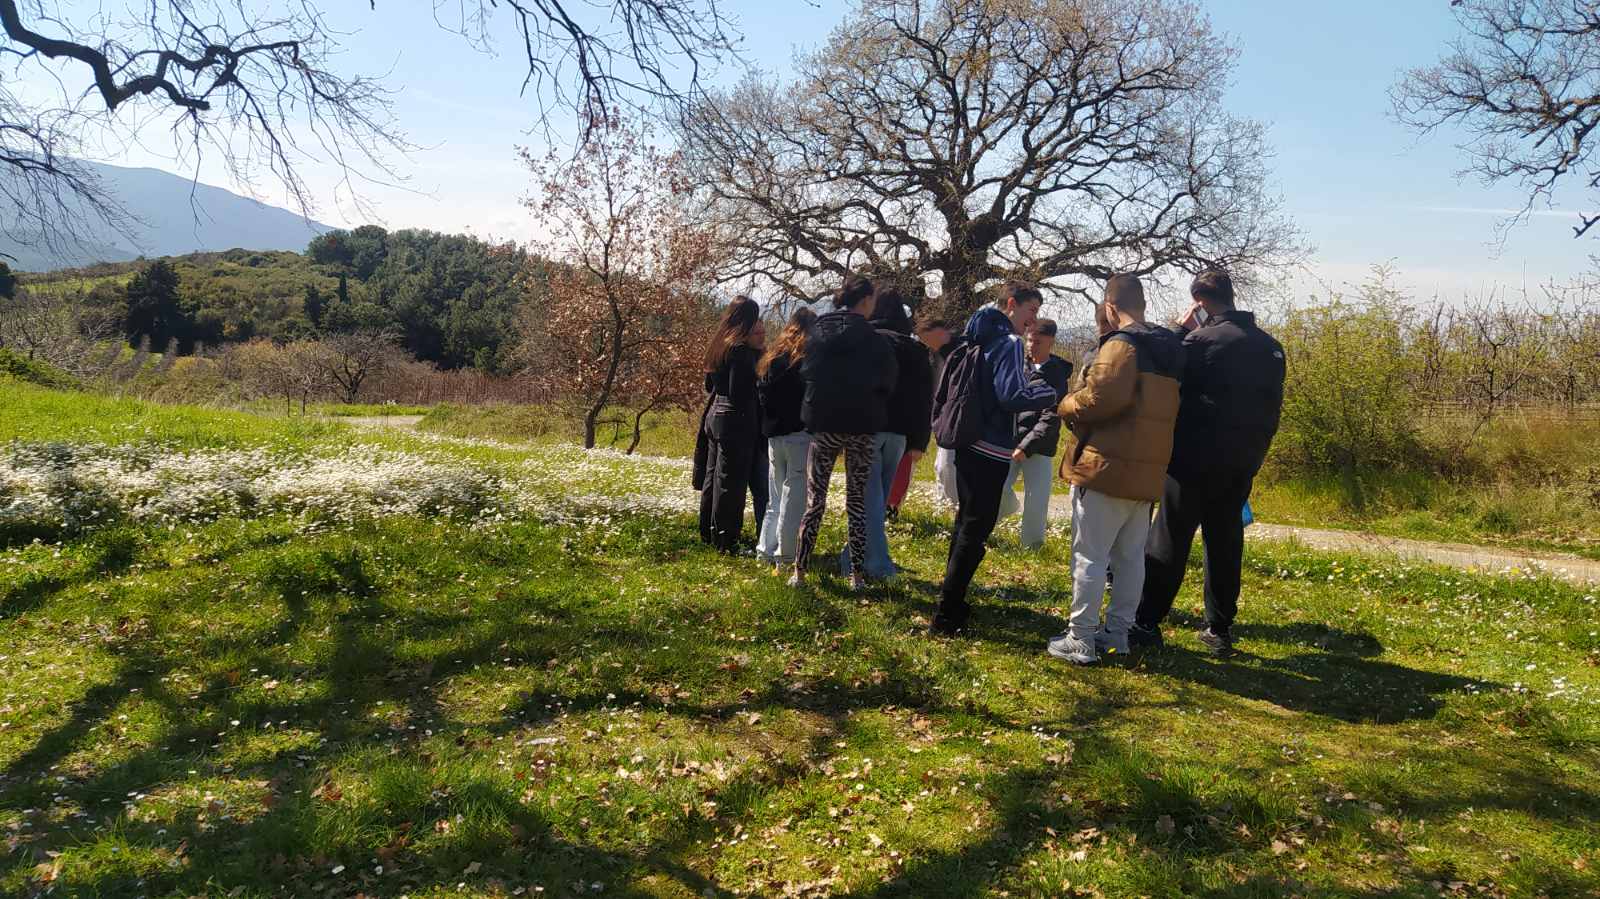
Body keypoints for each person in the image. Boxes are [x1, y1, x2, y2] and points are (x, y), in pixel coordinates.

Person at [1132, 269, 1286, 656]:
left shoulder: (1200, 341)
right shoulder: (1272, 348)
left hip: (1192, 459)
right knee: (1225, 541)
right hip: (1243, 460)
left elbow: (1162, 367)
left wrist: (1179, 330)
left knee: (1170, 538)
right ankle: (1219, 628)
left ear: (1200, 302)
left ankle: (1147, 621)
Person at [1043, 276, 1184, 664]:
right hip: (1147, 472)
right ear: (1143, 303)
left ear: (1109, 306)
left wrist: (1066, 404)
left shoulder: (1122, 344)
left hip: (1105, 466)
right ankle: (1118, 635)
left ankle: (1080, 638)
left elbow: (1101, 398)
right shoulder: (1170, 348)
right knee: (1130, 559)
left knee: (1090, 556)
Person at [931, 282, 1058, 635]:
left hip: (967, 442)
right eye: (1031, 311)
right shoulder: (1009, 343)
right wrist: (1048, 392)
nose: (1032, 321)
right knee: (976, 529)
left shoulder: (974, 338)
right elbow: (1011, 395)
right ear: (1012, 304)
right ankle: (946, 614)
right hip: (992, 447)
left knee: (965, 524)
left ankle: (952, 600)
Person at [792, 276, 898, 590]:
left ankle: (799, 571)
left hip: (824, 425)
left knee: (815, 500)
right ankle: (857, 575)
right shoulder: (875, 339)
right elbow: (888, 381)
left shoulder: (817, 332)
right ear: (865, 300)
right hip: (862, 426)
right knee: (857, 502)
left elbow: (805, 373)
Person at [839, 289, 933, 580]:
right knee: (876, 502)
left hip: (865, 429)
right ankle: (852, 559)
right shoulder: (916, 349)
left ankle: (877, 566)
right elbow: (924, 399)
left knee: (866, 501)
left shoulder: (864, 342)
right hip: (899, 434)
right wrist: (919, 440)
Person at [696, 297, 765, 553]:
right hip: (736, 421)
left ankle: (708, 531)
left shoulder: (718, 344)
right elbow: (740, 392)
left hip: (715, 416)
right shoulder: (740, 350)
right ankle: (727, 540)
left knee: (713, 478)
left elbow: (709, 386)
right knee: (731, 483)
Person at [998, 319, 1072, 549]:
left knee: (1037, 500)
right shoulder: (1018, 367)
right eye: (1029, 340)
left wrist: (1027, 445)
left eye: (1037, 341)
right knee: (998, 489)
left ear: (1051, 342)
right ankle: (990, 528)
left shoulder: (1057, 375)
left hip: (1040, 446)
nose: (1031, 345)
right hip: (1009, 440)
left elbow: (1051, 416)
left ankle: (1032, 546)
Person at [756, 307, 818, 570]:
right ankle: (786, 553)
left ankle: (765, 550)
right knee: (794, 500)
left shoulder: (772, 358)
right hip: (798, 435)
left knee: (775, 497)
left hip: (774, 436)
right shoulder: (805, 360)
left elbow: (763, 397)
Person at [887, 318, 953, 516]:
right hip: (909, 423)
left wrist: (920, 441)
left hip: (918, 425)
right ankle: (889, 511)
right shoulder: (920, 354)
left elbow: (926, 398)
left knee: (902, 476)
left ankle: (892, 511)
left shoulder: (939, 355)